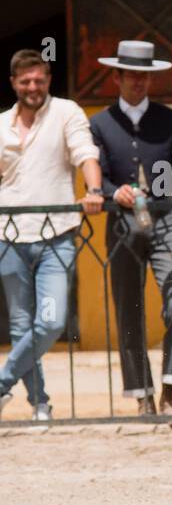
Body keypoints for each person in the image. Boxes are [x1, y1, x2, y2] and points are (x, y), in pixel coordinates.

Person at [89, 40, 172, 432]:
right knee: (129, 306)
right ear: (118, 77)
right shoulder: (98, 124)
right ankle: (142, 394)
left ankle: (171, 394)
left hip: (165, 220)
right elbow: (99, 175)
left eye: (144, 76)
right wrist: (113, 192)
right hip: (122, 224)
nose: (138, 82)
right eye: (131, 76)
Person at [0, 49, 104, 421]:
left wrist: (94, 191)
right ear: (14, 83)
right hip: (8, 236)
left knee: (51, 320)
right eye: (25, 81)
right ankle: (40, 403)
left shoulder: (66, 112)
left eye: (39, 80)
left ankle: (2, 382)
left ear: (47, 80)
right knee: (21, 325)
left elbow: (85, 154)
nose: (33, 87)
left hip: (55, 235)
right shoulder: (1, 125)